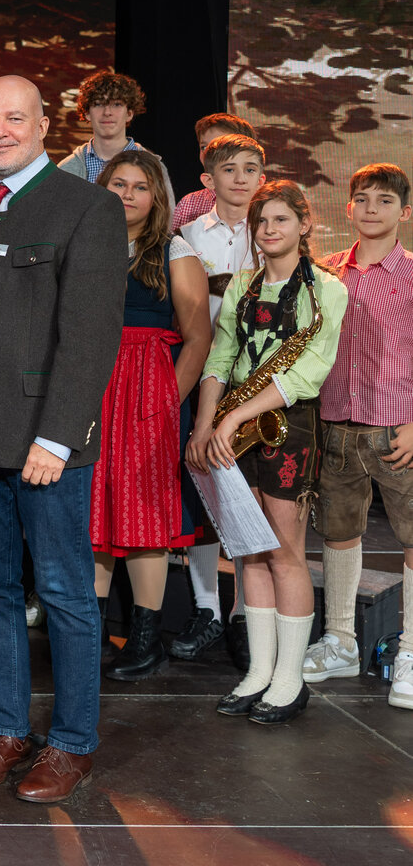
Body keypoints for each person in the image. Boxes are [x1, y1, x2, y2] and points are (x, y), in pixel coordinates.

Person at [0, 75, 128, 804]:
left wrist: (56, 438)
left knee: (63, 591)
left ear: (45, 125)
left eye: (13, 118)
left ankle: (73, 743)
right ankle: (8, 729)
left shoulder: (88, 206)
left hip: (42, 438)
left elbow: (89, 339)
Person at [188, 181, 345, 725]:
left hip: (287, 426)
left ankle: (289, 678)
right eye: (262, 222)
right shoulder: (243, 286)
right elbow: (219, 356)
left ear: (305, 224)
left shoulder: (327, 290)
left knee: (284, 552)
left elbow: (309, 370)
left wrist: (233, 417)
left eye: (281, 219)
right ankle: (258, 671)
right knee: (248, 552)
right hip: (235, 424)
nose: (270, 230)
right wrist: (206, 423)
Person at [89, 152, 211, 681]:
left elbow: (199, 335)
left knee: (143, 515)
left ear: (156, 197)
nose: (129, 194)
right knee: (91, 510)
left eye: (141, 186)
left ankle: (145, 635)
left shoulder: (174, 251)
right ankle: (88, 631)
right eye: (119, 183)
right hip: (90, 385)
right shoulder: (83, 244)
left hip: (147, 390)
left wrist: (166, 401)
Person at [306, 163, 413, 707]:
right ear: (348, 209)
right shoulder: (326, 272)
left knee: (412, 536)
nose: (372, 209)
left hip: (396, 427)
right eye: (363, 199)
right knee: (338, 532)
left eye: (385, 201)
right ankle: (341, 640)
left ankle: (412, 652)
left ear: (404, 212)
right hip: (336, 425)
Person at [172, 132, 267, 669]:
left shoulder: (272, 229)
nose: (240, 178)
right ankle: (207, 607)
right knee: (204, 489)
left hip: (255, 381)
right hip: (201, 374)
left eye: (250, 169)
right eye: (229, 169)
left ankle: (244, 614)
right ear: (209, 179)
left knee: (251, 496)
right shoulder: (187, 233)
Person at [172, 113, 257, 232]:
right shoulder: (189, 204)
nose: (208, 154)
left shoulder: (265, 202)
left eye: (220, 146)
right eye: (204, 147)